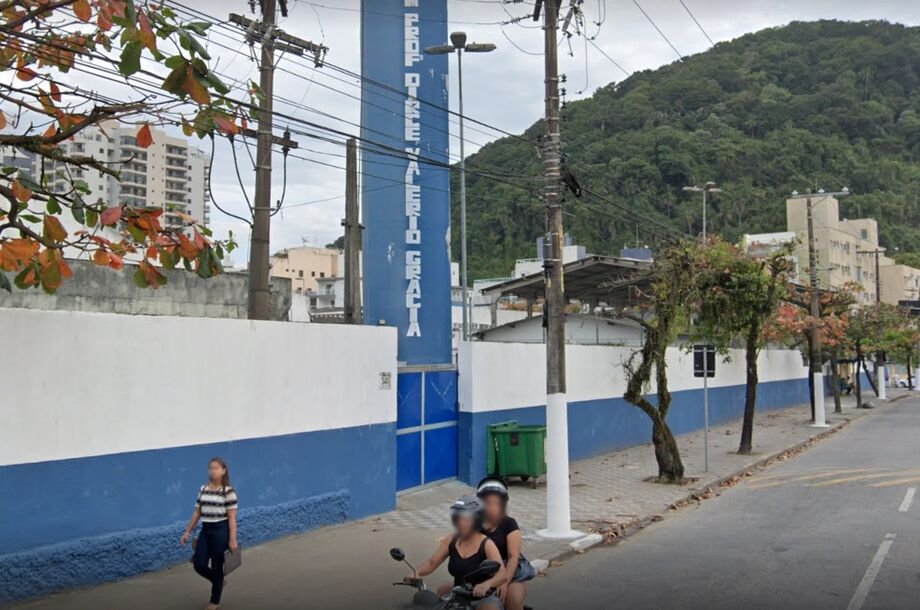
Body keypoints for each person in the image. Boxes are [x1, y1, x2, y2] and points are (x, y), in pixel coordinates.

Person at [409, 496, 506, 609]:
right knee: (436, 598)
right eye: (458, 518)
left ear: (477, 521)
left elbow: (502, 574)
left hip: (483, 597)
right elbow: (432, 562)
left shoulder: (486, 544)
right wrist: (416, 572)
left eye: (466, 519)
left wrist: (486, 584)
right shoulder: (451, 540)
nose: (461, 523)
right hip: (459, 593)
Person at [180, 457, 239, 610]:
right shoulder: (203, 488)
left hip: (221, 530)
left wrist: (232, 539)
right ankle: (218, 581)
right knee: (199, 564)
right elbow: (197, 512)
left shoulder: (228, 491)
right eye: (210, 468)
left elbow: (232, 518)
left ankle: (214, 601)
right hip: (205, 530)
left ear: (224, 470)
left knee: (217, 566)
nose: (213, 471)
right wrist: (187, 531)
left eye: (216, 468)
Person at [477, 478, 535, 610]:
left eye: (496, 503)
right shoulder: (474, 525)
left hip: (510, 575)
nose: (491, 507)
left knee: (513, 598)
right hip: (482, 575)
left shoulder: (509, 524)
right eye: (487, 502)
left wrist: (504, 582)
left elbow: (513, 556)